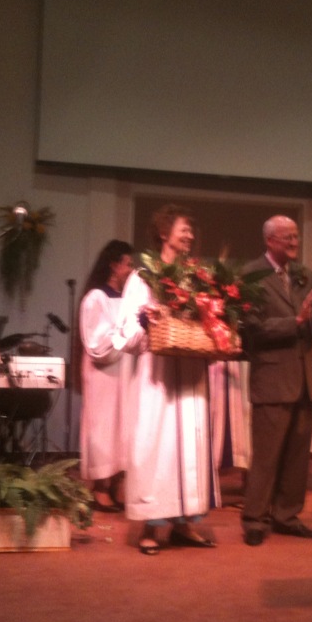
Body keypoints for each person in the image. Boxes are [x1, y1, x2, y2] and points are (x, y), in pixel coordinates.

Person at [114, 205, 219, 555]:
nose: (190, 235)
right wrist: (146, 321)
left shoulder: (196, 277)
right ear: (163, 232)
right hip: (156, 376)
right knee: (156, 445)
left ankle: (184, 524)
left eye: (191, 230)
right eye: (183, 229)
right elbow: (126, 332)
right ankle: (149, 526)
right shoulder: (143, 277)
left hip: (190, 371)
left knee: (190, 446)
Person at [240, 215, 312, 546]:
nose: (295, 242)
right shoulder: (251, 274)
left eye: (297, 236)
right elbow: (250, 328)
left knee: (297, 456)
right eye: (288, 237)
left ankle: (286, 515)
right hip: (271, 377)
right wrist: (294, 322)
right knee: (266, 456)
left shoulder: (304, 274)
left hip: (304, 378)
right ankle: (255, 519)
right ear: (270, 241)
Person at [79, 240, 135, 513]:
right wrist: (125, 333)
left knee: (124, 428)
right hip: (104, 375)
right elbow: (96, 344)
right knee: (104, 428)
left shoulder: (127, 300)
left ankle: (117, 484)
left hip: (126, 374)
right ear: (114, 265)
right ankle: (100, 488)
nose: (132, 270)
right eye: (128, 264)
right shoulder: (96, 298)